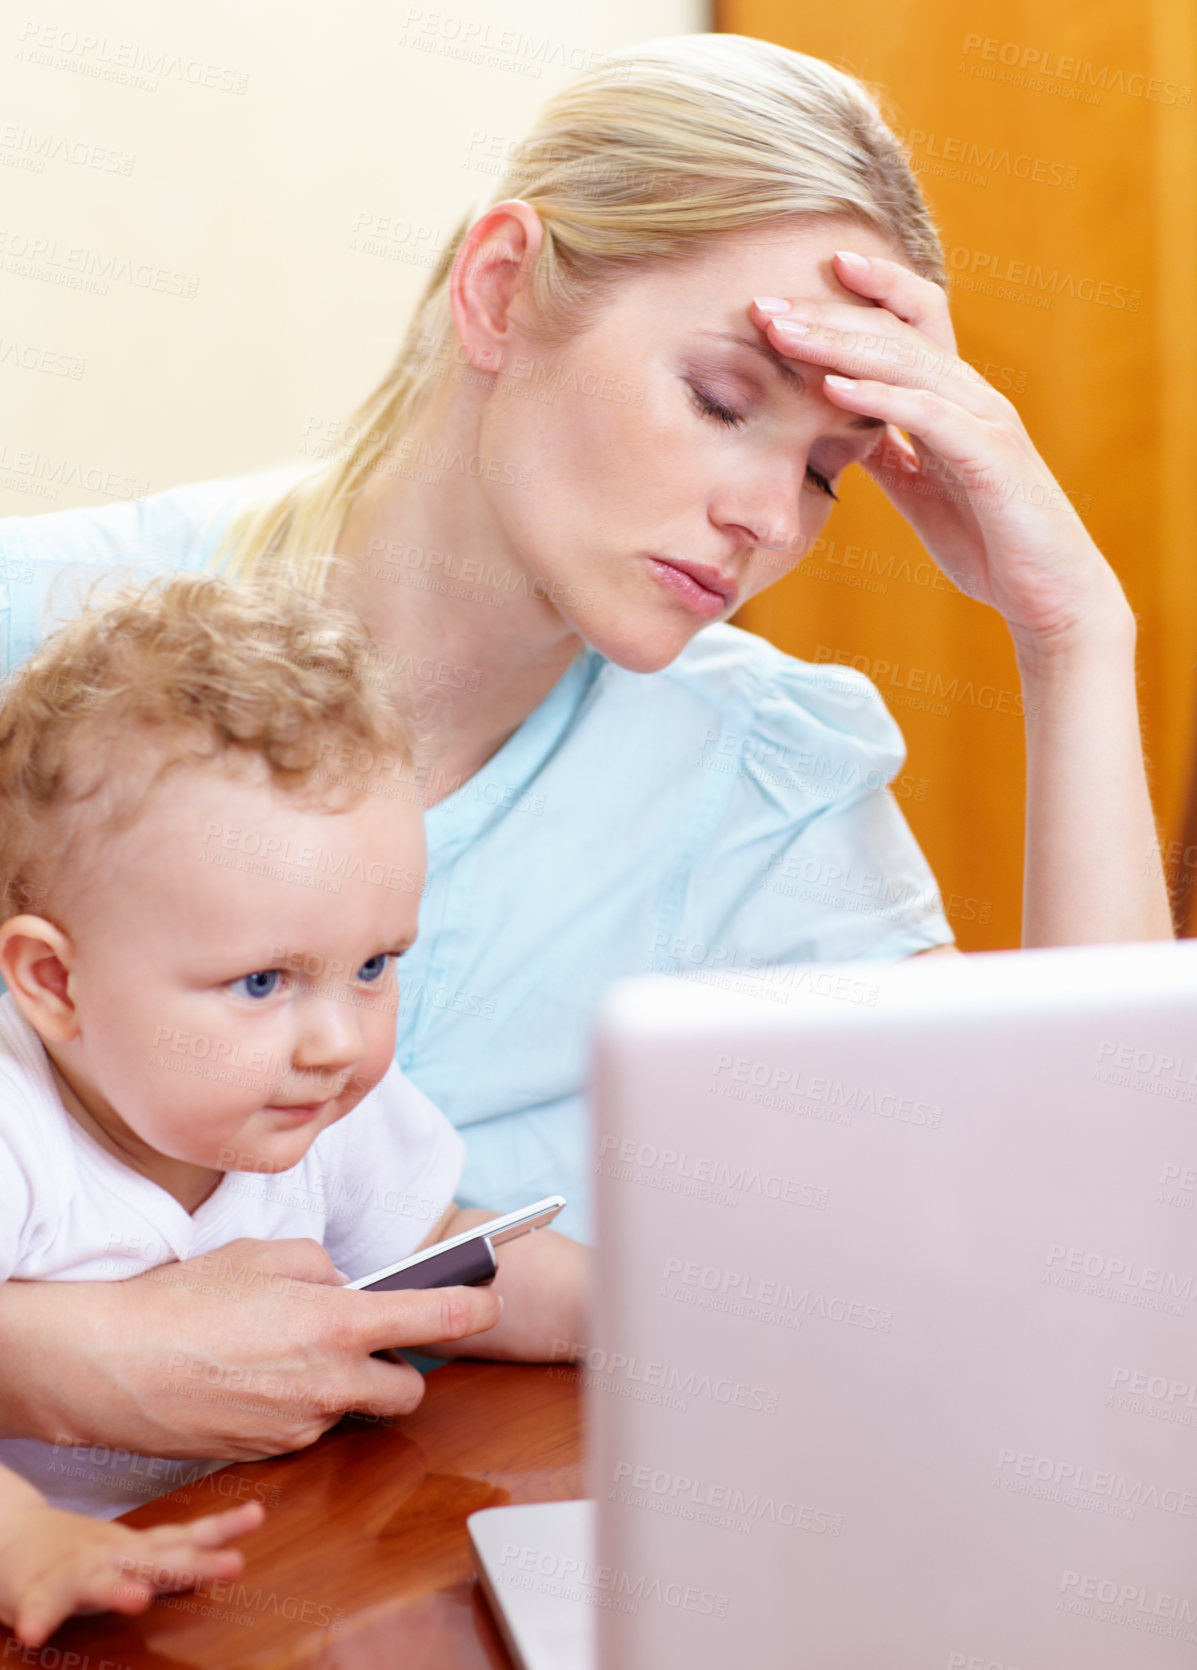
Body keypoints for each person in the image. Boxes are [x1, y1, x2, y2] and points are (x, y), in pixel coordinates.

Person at [0, 33, 1171, 1475]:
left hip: (398, 1579)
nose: (769, 521)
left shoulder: (760, 785)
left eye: (824, 470)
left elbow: (1082, 1268)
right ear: (500, 291)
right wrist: (42, 1358)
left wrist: (1073, 635)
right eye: (724, 400)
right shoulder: (39, 641)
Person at [0, 570, 585, 1639]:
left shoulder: (326, 1105)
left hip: (262, 1580)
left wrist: (656, 1312)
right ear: (54, 983)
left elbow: (447, 1245)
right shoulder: (14, 1132)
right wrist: (26, 1542)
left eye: (373, 964)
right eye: (263, 981)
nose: (339, 1041)